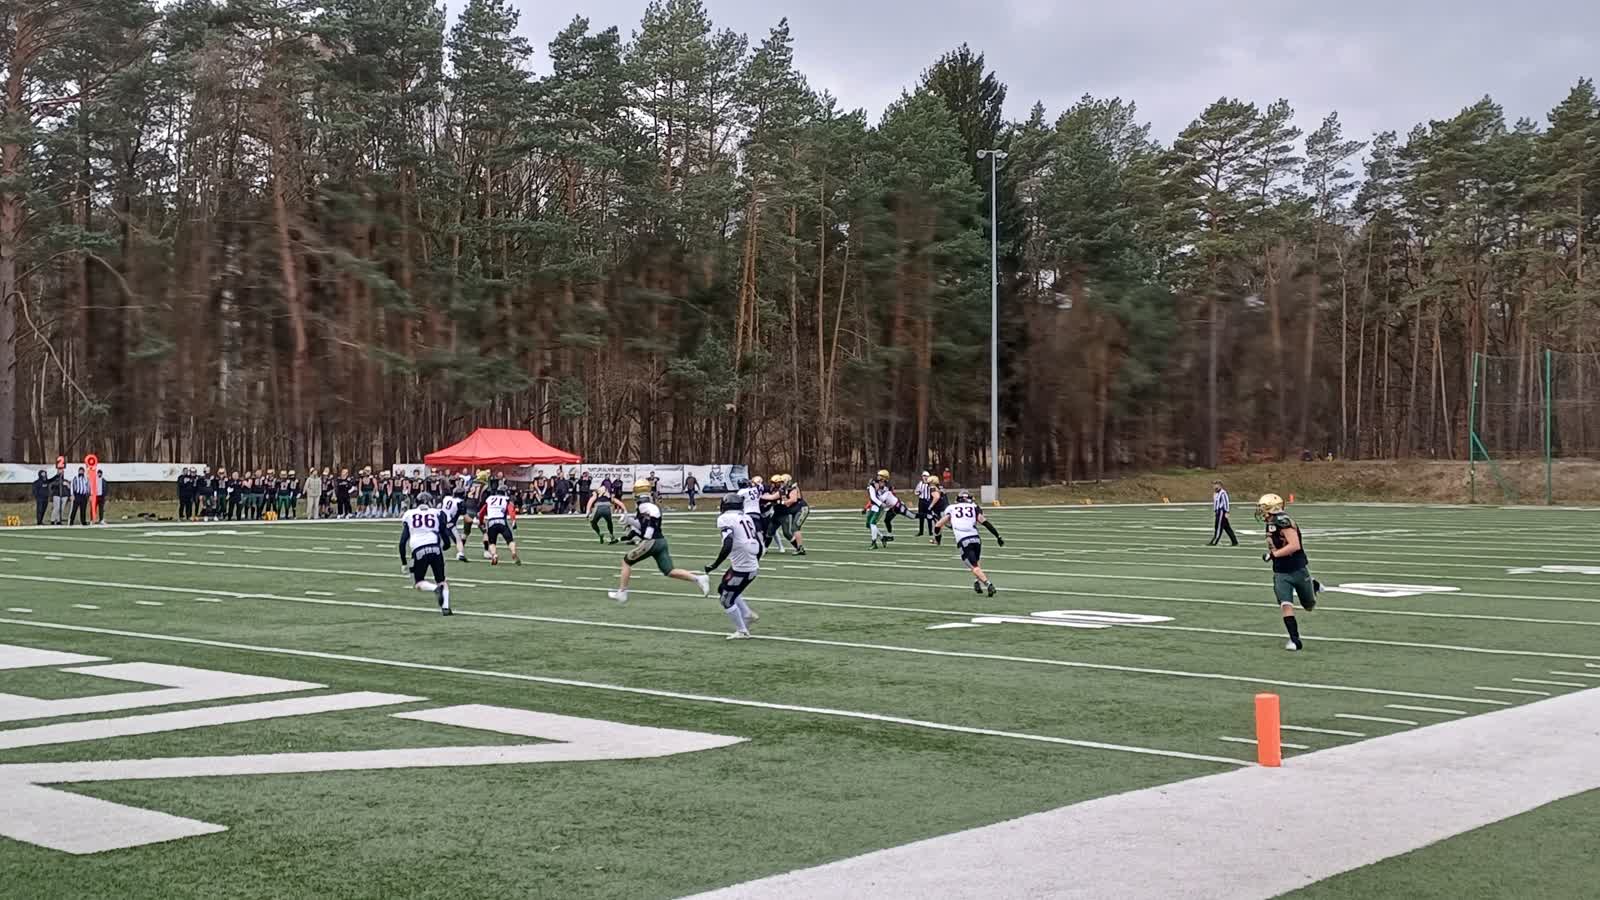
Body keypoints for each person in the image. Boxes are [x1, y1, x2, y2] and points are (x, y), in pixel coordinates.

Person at [609, 479, 710, 604]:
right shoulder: (645, 507)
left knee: (626, 561)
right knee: (669, 571)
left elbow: (654, 515)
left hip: (652, 541)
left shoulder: (645, 506)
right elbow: (641, 526)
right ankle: (699, 578)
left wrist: (648, 533)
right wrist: (629, 520)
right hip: (661, 541)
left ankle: (622, 592)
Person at [1257, 493, 1321, 652]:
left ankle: (1313, 585)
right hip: (1281, 572)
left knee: (1309, 605)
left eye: (1263, 508)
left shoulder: (1283, 521)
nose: (1261, 512)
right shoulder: (1271, 522)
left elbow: (1294, 545)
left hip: (1298, 569)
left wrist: (1273, 555)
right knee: (1285, 604)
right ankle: (1295, 639)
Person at [705, 492, 764, 639]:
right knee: (723, 589)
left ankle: (742, 631)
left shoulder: (725, 518)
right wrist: (755, 560)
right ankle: (747, 613)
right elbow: (759, 543)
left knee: (726, 599)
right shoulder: (747, 517)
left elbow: (728, 543)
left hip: (742, 568)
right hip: (747, 565)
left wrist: (715, 564)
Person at [935, 489, 1004, 596]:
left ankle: (988, 584)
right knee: (976, 562)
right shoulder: (974, 507)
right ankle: (977, 582)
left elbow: (938, 525)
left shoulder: (951, 508)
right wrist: (997, 536)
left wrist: (938, 538)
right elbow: (985, 522)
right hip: (976, 539)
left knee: (973, 566)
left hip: (964, 540)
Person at [398, 491, 454, 616]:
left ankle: (435, 589)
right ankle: (446, 608)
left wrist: (404, 562)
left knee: (419, 583)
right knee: (442, 580)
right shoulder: (437, 513)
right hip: (435, 548)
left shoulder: (409, 514)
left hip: (419, 550)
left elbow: (402, 542)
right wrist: (446, 545)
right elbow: (444, 532)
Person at [478, 486, 521, 566]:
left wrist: (481, 522)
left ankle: (494, 555)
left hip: (491, 522)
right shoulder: (506, 499)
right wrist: (513, 521)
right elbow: (511, 510)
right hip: (502, 521)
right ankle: (513, 552)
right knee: (510, 540)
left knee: (492, 542)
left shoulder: (490, 499)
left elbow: (482, 512)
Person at [778, 474, 808, 555]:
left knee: (795, 528)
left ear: (787, 481)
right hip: (796, 510)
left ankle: (800, 548)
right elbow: (787, 504)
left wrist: (782, 502)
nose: (781, 483)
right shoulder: (784, 489)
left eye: (782, 482)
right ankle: (799, 547)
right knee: (794, 529)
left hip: (802, 509)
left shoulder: (793, 487)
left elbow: (793, 499)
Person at [865, 470, 894, 549]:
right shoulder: (873, 484)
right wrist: (879, 504)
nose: (878, 477)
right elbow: (873, 497)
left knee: (872, 523)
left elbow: (889, 497)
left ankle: (874, 543)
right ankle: (882, 537)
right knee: (868, 524)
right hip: (875, 505)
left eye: (880, 476)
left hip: (880, 507)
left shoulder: (888, 486)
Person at [1209, 480, 1238, 546]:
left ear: (1220, 485)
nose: (1214, 486)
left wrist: (1227, 511)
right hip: (1218, 511)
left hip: (1221, 511)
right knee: (1227, 528)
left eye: (1216, 484)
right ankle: (1234, 541)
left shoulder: (1223, 493)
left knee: (1218, 527)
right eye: (1214, 484)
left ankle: (1214, 541)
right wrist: (1215, 510)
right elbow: (1215, 503)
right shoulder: (1215, 493)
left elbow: (1226, 502)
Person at [926, 476, 949, 545]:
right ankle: (936, 539)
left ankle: (937, 540)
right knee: (939, 524)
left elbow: (936, 497)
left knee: (938, 524)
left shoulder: (933, 488)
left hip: (939, 509)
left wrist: (930, 506)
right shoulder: (940, 487)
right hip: (945, 507)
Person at [915, 471, 933, 536]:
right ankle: (921, 531)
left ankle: (930, 531)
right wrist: (918, 493)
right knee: (921, 516)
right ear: (922, 477)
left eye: (927, 476)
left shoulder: (931, 484)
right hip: (921, 501)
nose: (925, 477)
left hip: (928, 501)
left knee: (929, 516)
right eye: (924, 476)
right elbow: (916, 492)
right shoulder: (920, 483)